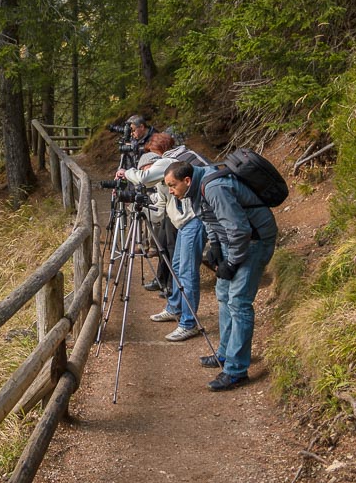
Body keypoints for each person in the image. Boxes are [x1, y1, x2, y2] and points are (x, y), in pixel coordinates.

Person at [163, 160, 278, 391]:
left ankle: (236, 370)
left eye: (172, 185)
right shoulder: (195, 189)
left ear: (187, 180)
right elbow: (209, 219)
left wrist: (232, 263)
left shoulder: (214, 188)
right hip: (232, 241)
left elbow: (240, 230)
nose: (170, 191)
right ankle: (225, 354)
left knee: (239, 302)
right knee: (223, 294)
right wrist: (215, 246)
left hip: (253, 242)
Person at [118, 133, 205, 342]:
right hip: (184, 225)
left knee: (186, 273)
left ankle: (188, 323)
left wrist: (126, 172)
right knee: (176, 267)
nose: (146, 168)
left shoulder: (167, 162)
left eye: (148, 162)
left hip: (193, 222)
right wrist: (136, 204)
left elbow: (143, 177)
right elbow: (157, 212)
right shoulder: (166, 181)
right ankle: (175, 307)